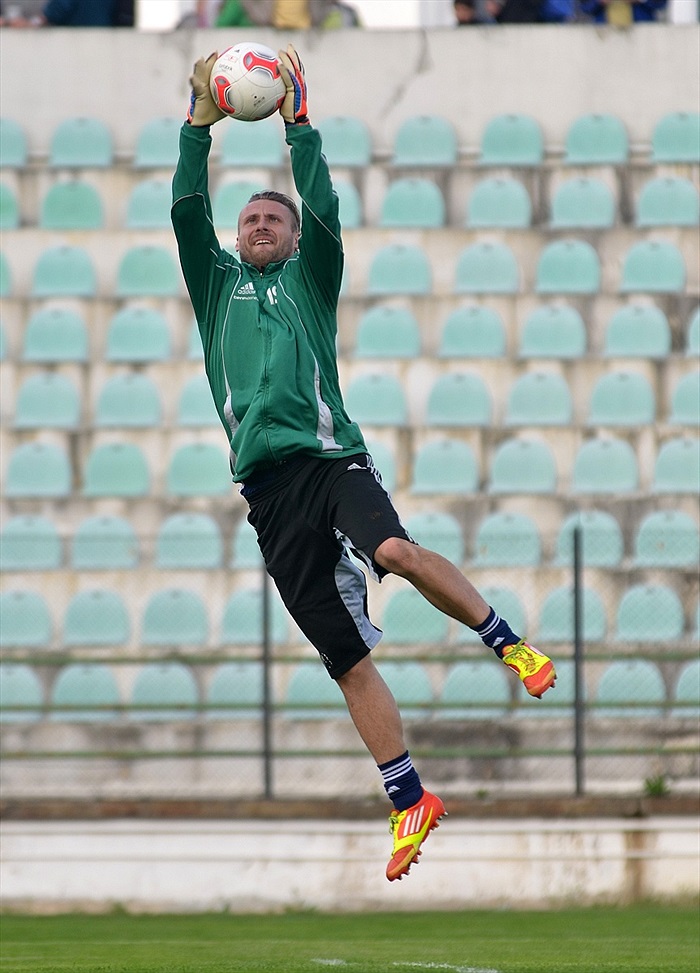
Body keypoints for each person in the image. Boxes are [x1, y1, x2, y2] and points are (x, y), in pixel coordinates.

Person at [172, 46, 557, 882]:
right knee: (344, 658)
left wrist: (297, 124)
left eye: (273, 219)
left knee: (396, 551)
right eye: (250, 221)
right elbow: (183, 208)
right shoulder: (216, 288)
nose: (259, 225)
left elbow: (321, 200)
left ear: (298, 237)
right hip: (268, 496)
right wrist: (197, 127)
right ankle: (410, 798)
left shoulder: (313, 278)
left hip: (330, 462)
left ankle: (509, 642)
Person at [580, 0, 667, 22]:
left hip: (641, 32)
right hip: (605, 34)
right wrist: (600, 1)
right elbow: (584, 7)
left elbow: (661, 3)